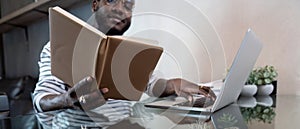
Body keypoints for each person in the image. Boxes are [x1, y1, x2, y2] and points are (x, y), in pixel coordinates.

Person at [33, 0, 215, 115]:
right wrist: (66, 99)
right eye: (111, 0)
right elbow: (41, 99)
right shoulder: (59, 45)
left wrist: (176, 84)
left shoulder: (129, 51)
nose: (120, 9)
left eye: (128, 5)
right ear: (95, 4)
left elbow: (152, 86)